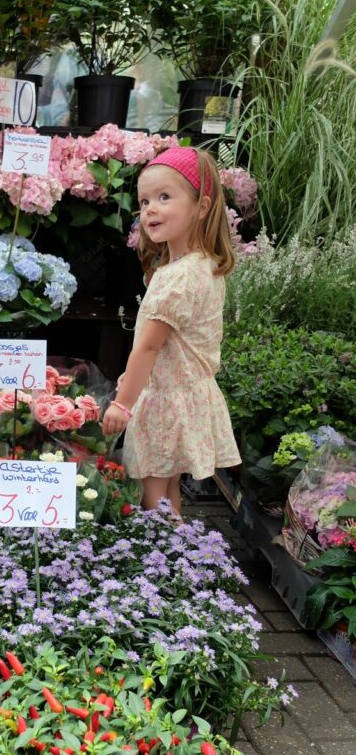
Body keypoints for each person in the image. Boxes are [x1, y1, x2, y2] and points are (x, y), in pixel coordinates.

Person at [101, 145, 240, 515]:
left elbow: (148, 348)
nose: (151, 209)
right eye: (145, 201)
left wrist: (122, 404)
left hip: (166, 400)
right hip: (183, 393)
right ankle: (178, 555)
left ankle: (162, 557)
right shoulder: (202, 266)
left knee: (152, 491)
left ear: (202, 206)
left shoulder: (178, 277)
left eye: (165, 197)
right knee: (167, 490)